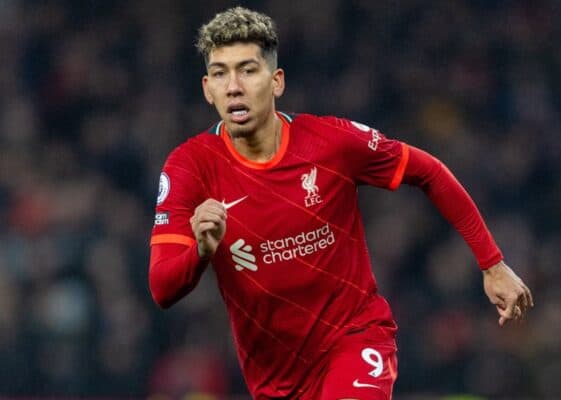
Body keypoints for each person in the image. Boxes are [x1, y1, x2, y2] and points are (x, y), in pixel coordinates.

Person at [148, 7, 534, 400]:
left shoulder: (330, 142)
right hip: (275, 380)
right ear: (207, 89)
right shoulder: (189, 167)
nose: (233, 86)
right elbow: (162, 288)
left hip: (356, 339)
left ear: (276, 81)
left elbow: (428, 171)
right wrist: (201, 250)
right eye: (220, 73)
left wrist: (492, 264)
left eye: (248, 70)